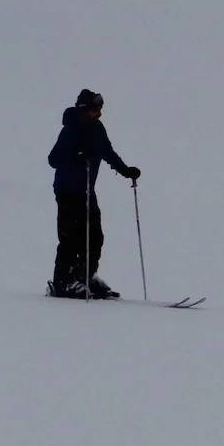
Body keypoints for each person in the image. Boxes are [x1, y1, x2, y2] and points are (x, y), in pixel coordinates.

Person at [47, 89, 141, 299]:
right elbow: (53, 160)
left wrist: (126, 171)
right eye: (94, 110)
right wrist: (76, 155)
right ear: (84, 110)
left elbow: (107, 152)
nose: (99, 114)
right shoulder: (71, 129)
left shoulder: (97, 128)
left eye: (100, 109)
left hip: (87, 191)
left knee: (95, 237)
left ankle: (85, 276)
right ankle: (63, 282)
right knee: (70, 238)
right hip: (67, 191)